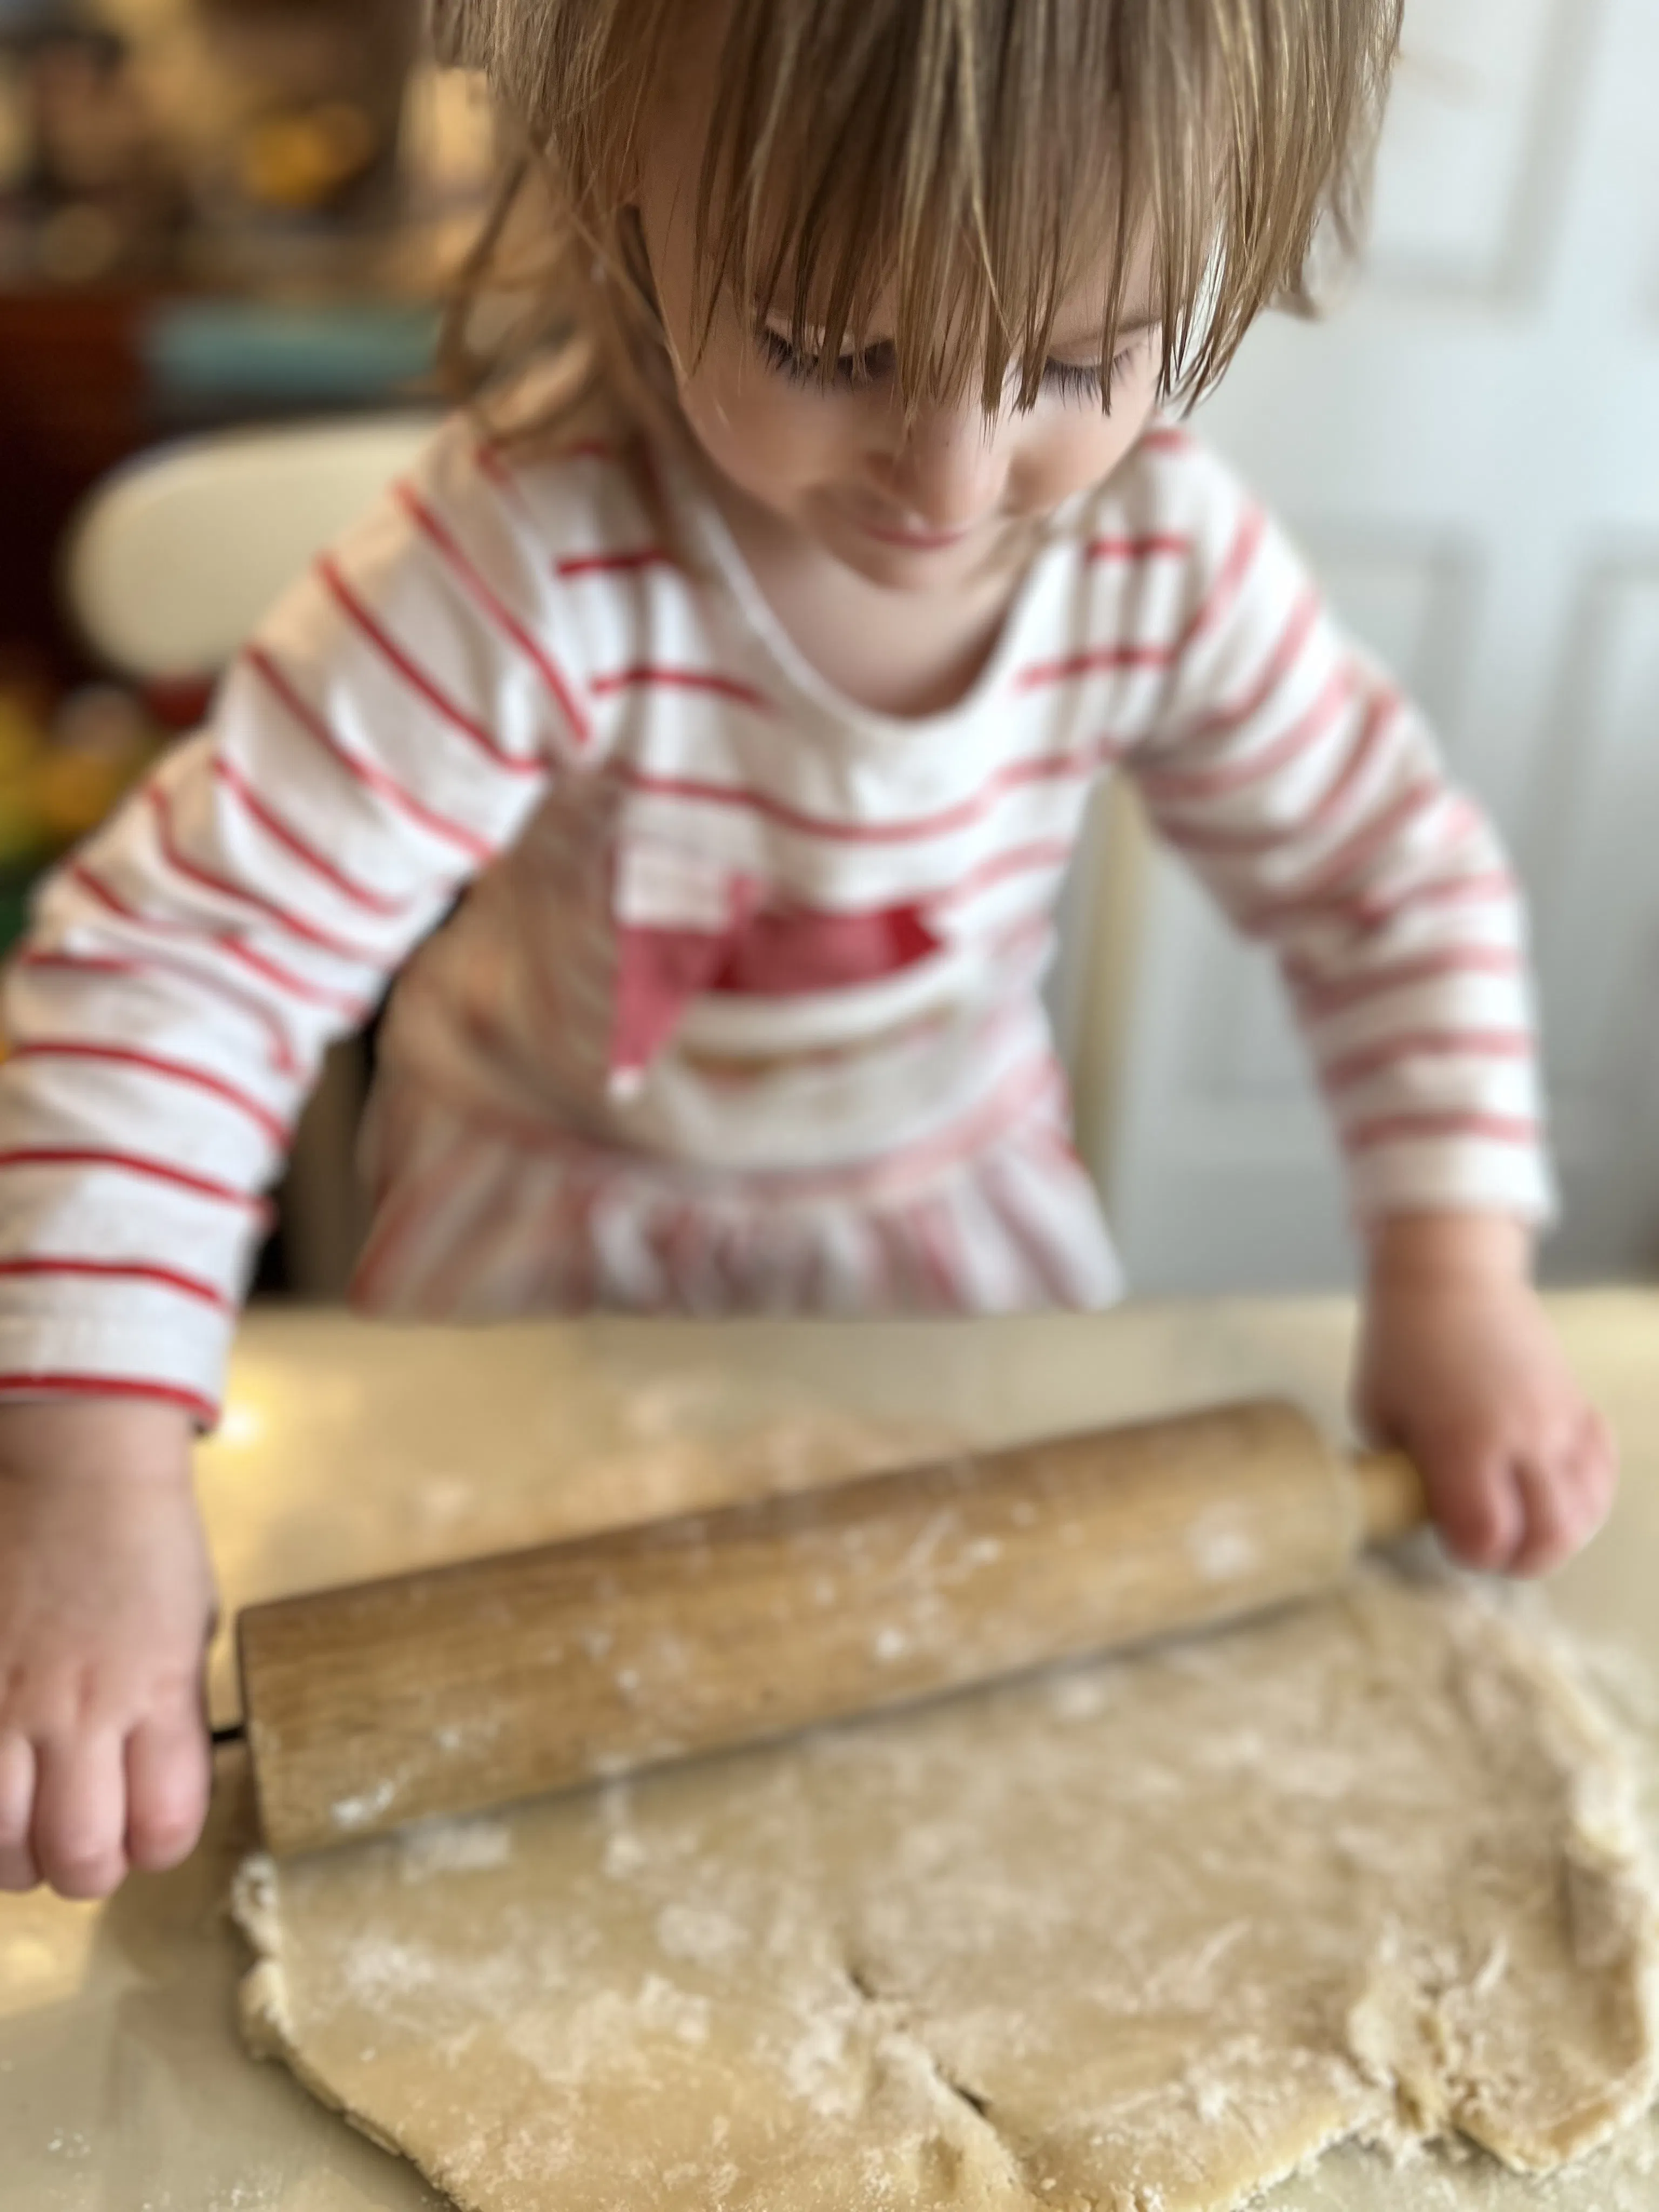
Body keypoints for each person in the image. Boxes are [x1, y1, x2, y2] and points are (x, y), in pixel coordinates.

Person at [0, 0, 1616, 1904]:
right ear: (616, 181)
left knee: (966, 1814)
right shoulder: (527, 558)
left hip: (947, 1241)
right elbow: (196, 962)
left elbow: (1380, 880)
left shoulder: (1162, 556)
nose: (951, 484)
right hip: (549, 1255)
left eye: (1075, 359)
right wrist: (86, 1471)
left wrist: (1453, 1270)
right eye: (836, 350)